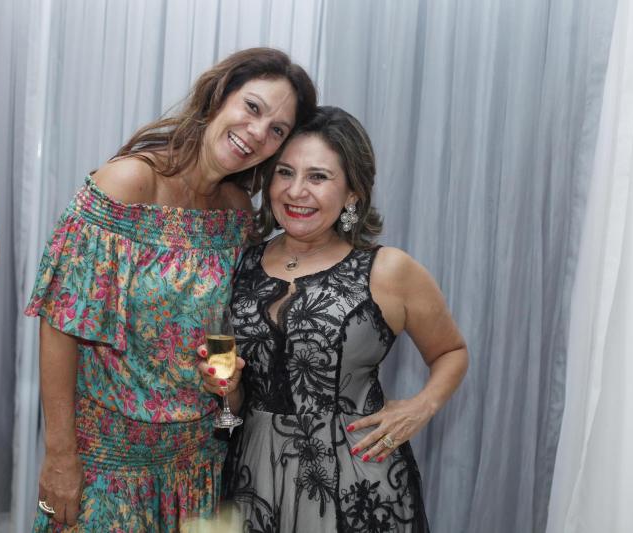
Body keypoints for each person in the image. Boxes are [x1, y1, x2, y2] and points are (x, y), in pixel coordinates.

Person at [24, 47, 316, 532]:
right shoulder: (129, 183)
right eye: (252, 107)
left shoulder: (236, 212)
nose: (257, 132)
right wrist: (59, 455)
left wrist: (229, 382)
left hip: (198, 465)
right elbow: (60, 324)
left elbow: (223, 330)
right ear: (219, 95)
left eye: (277, 130)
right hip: (107, 463)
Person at [197, 106, 469, 532]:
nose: (296, 191)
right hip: (254, 481)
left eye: (318, 177)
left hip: (356, 485)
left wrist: (420, 406)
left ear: (352, 194)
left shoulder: (388, 270)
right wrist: (227, 390)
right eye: (285, 173)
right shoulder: (240, 262)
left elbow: (451, 351)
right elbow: (238, 397)